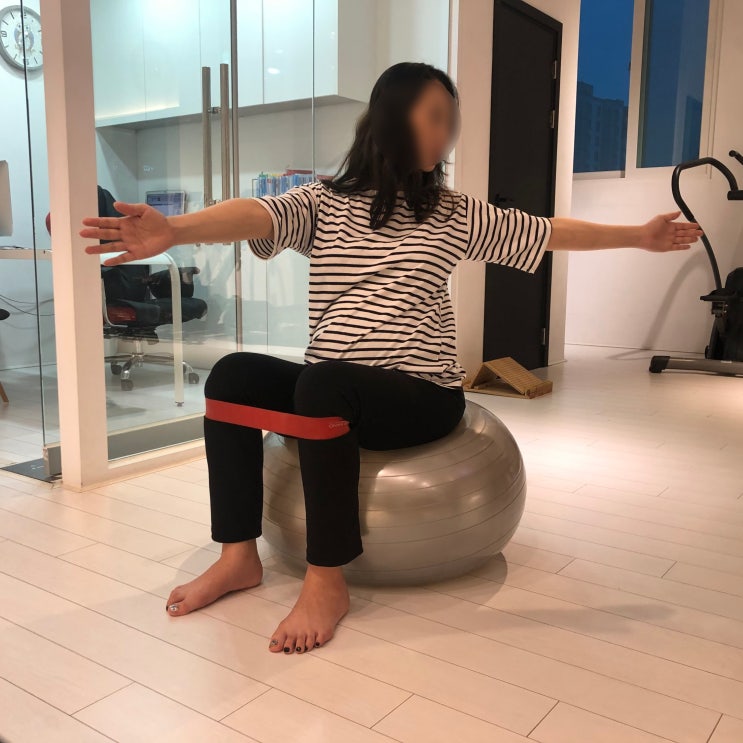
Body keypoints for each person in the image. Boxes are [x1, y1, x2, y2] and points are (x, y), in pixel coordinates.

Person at [79, 62, 702, 656]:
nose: (447, 132)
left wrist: (638, 237)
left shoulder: (453, 213)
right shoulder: (322, 202)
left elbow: (546, 230)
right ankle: (239, 556)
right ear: (392, 116)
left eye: (451, 120)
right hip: (335, 387)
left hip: (419, 395)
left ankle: (326, 581)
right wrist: (177, 230)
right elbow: (256, 216)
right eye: (435, 116)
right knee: (232, 376)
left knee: (322, 386)